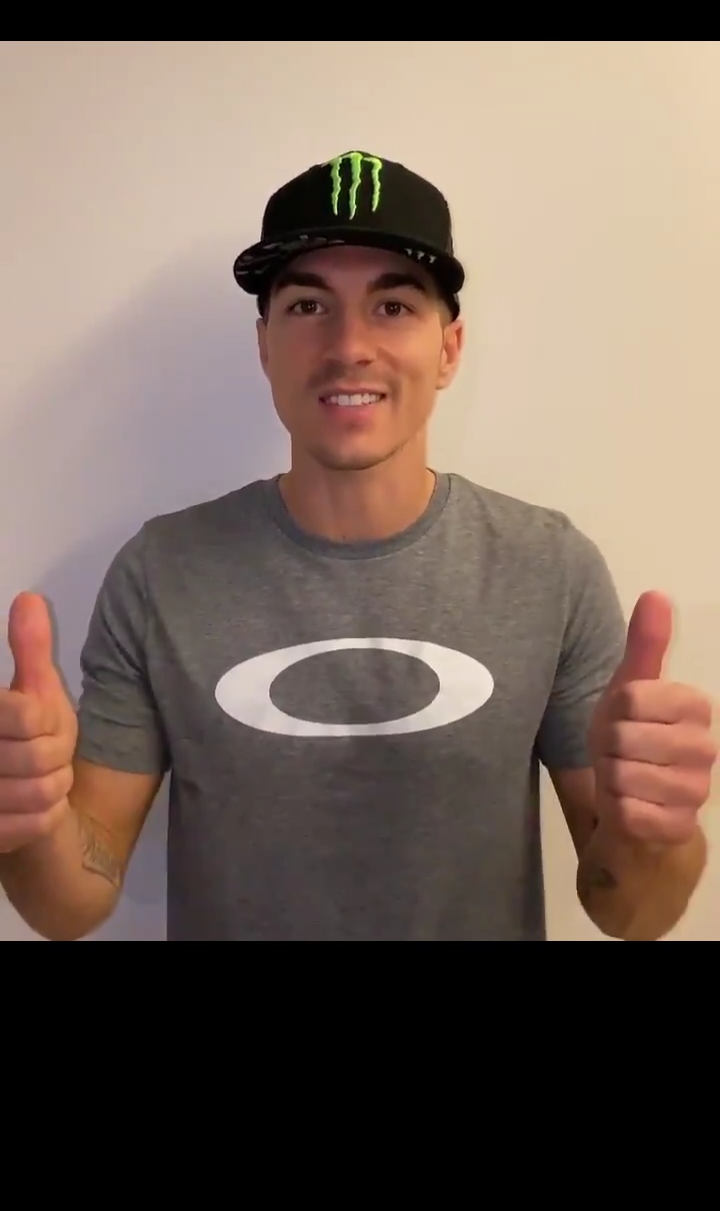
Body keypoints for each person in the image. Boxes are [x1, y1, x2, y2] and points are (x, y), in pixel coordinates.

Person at [0, 149, 716, 942]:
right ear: (264, 345)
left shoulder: (550, 569)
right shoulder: (159, 573)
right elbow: (71, 902)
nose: (349, 346)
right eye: (309, 305)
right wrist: (28, 823)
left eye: (393, 306)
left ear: (449, 348)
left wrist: (659, 834)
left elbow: (631, 912)